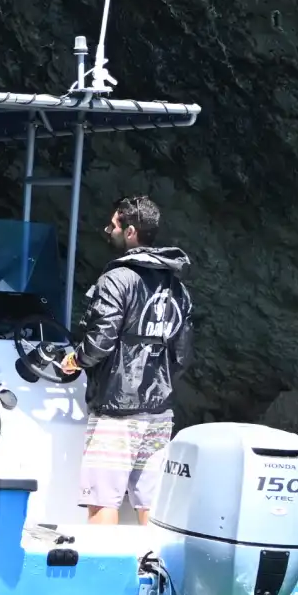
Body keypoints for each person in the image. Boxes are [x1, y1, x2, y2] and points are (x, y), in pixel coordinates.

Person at [60, 195, 194, 525]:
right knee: (151, 504)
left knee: (103, 499)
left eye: (113, 226)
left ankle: (101, 575)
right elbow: (183, 354)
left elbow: (100, 342)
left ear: (130, 231)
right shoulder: (176, 286)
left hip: (116, 412)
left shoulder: (117, 279)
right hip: (159, 411)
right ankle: (153, 574)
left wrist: (75, 360)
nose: (109, 231)